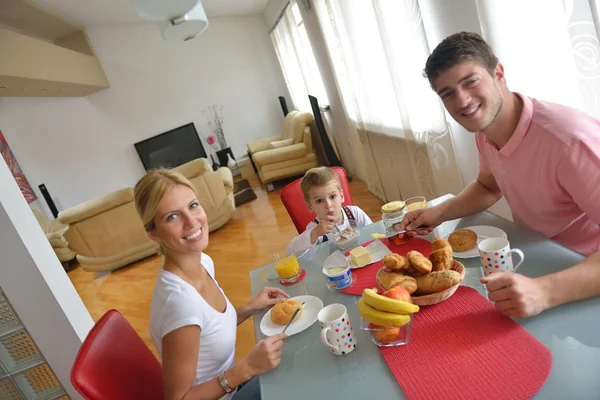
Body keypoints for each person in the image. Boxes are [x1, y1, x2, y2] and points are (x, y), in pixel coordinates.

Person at [399, 32, 600, 318]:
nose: (463, 101)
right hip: (537, 257)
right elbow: (488, 186)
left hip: (583, 274)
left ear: (499, 73)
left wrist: (545, 291)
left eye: (470, 82)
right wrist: (439, 212)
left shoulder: (569, 141)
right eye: (448, 93)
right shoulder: (487, 130)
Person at [134, 169, 288, 400]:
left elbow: (209, 332)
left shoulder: (203, 262)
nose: (191, 221)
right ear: (153, 234)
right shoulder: (179, 304)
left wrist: (250, 308)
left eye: (193, 205)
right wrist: (246, 369)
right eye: (172, 217)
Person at [287, 167, 373, 254]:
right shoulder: (315, 228)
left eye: (332, 197)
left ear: (341, 196)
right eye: (319, 201)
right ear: (310, 206)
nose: (328, 205)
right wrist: (315, 233)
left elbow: (373, 233)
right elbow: (290, 252)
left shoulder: (355, 213)